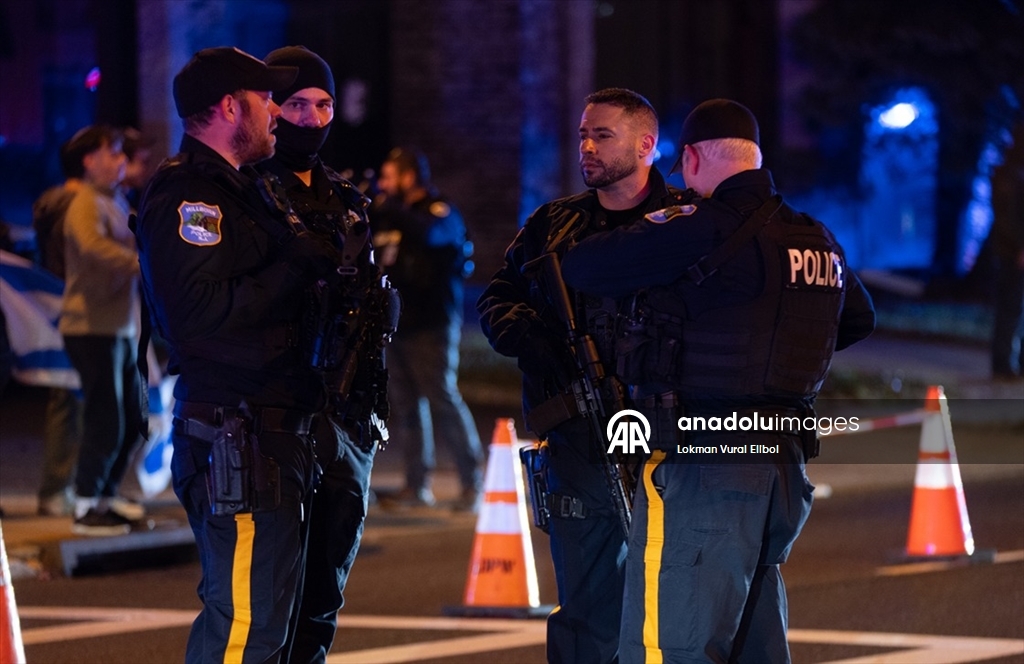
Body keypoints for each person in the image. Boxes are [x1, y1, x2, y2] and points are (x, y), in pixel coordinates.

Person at [561, 98, 876, 663]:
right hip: (782, 461)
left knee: (669, 645)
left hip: (705, 461)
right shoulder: (814, 238)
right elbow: (857, 318)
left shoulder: (702, 228)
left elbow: (584, 267)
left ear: (694, 158)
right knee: (753, 640)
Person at [135, 46, 346, 662]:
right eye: (266, 99)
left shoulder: (246, 189)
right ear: (231, 106)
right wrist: (290, 271)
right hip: (236, 432)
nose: (278, 111)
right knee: (246, 626)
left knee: (274, 626)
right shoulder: (192, 195)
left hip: (273, 429)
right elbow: (194, 318)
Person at [478, 88, 691, 664]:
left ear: (647, 145)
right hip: (580, 435)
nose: (587, 147)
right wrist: (534, 339)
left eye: (603, 135)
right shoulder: (555, 223)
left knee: (677, 603)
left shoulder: (686, 220)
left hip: (668, 432)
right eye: (582, 135)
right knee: (589, 609)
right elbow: (498, 298)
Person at [256, 45, 395, 661]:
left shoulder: (348, 199)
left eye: (323, 104)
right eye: (296, 104)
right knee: (267, 597)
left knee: (324, 589)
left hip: (346, 411)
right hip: (277, 409)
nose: (311, 119)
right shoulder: (249, 192)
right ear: (271, 109)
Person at [372, 146, 482, 510]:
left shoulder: (439, 211)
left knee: (442, 398)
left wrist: (394, 211)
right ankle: (416, 485)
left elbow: (432, 236)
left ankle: (473, 482)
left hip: (432, 323)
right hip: (397, 325)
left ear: (408, 177)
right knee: (406, 407)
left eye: (390, 177)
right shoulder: (389, 215)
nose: (384, 186)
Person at [59, 124, 146, 536]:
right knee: (105, 417)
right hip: (90, 326)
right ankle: (85, 504)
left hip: (120, 327)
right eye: (111, 153)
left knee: (131, 417)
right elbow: (94, 247)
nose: (120, 161)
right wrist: (141, 261)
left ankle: (106, 499)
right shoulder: (85, 203)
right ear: (88, 160)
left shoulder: (116, 199)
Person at [31, 136, 84, 516]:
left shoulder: (50, 202)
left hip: (57, 305)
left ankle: (62, 485)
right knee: (70, 400)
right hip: (77, 309)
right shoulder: (76, 206)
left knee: (68, 399)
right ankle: (58, 487)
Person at [989, 125, 1024, 380]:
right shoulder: (1010, 176)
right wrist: (1019, 248)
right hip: (1012, 254)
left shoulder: (1010, 173)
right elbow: (1008, 219)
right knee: (1010, 307)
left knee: (1014, 307)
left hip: (1011, 251)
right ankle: (1002, 364)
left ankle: (1011, 363)